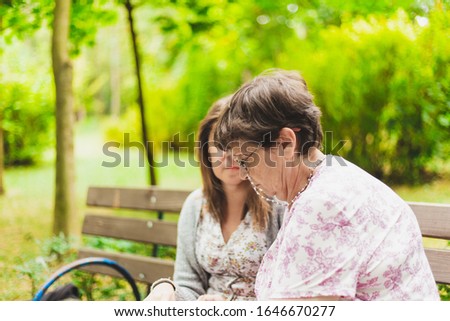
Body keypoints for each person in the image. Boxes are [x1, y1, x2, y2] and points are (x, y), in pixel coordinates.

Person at [214, 69, 440, 301]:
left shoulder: (322, 205)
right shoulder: (332, 177)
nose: (243, 173)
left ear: (285, 143)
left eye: (245, 160)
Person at [145, 96, 284, 301]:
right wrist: (166, 289)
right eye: (219, 146)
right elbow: (188, 284)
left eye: (237, 145)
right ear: (206, 152)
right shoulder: (196, 205)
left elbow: (291, 294)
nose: (229, 157)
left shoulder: (278, 202)